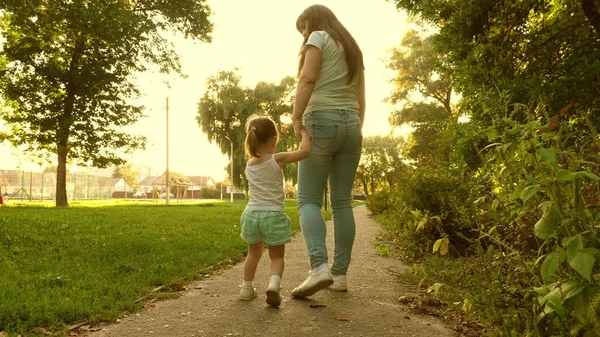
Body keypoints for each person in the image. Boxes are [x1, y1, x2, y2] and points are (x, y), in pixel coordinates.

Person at [290, 4, 365, 298]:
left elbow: (307, 79)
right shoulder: (353, 48)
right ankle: (340, 275)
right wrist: (355, 128)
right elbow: (361, 98)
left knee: (308, 199)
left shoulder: (318, 37)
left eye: (303, 27)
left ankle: (318, 268)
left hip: (320, 120)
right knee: (343, 202)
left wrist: (296, 117)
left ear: (314, 21)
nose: (304, 34)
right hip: (352, 124)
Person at [239, 116, 312, 306]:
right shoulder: (277, 159)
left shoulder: (249, 164)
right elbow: (304, 152)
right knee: (277, 256)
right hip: (273, 215)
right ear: (273, 140)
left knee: (253, 254)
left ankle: (246, 289)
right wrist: (304, 133)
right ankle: (273, 284)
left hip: (251, 214)